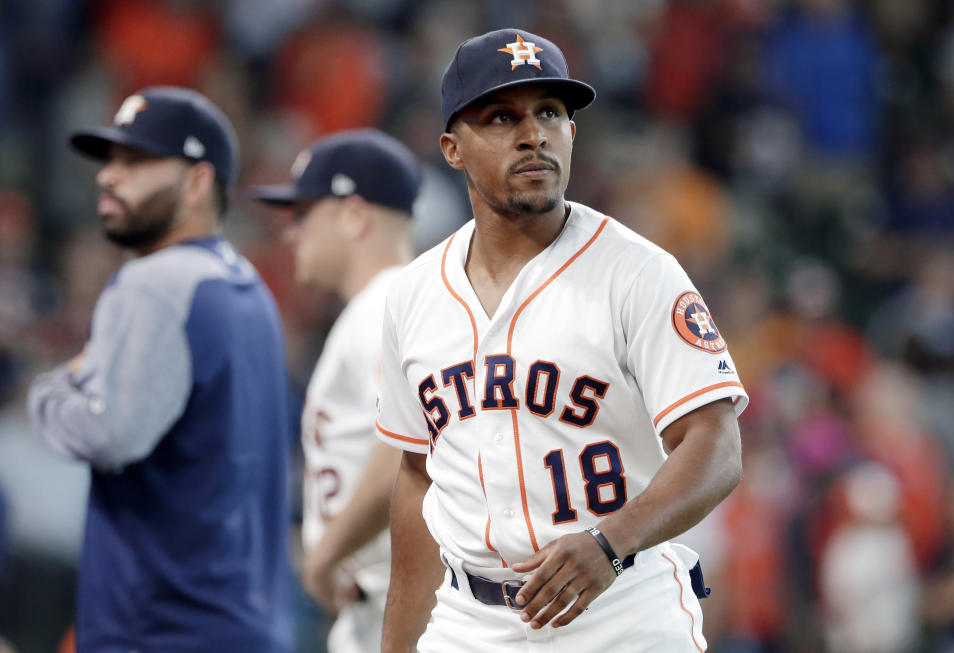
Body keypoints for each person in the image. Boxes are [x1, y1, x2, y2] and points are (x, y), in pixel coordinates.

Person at [375, 28, 749, 652]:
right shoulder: (412, 295)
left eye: (550, 112)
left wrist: (612, 541)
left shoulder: (638, 272)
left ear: (573, 133)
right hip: (468, 622)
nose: (533, 134)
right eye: (501, 116)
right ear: (451, 148)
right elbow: (417, 476)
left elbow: (717, 445)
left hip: (620, 612)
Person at [27, 86, 293, 652]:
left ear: (197, 181)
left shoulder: (153, 284)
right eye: (111, 160)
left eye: (137, 161)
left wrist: (50, 389)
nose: (108, 176)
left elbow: (111, 433)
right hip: (246, 624)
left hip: (161, 628)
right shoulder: (248, 288)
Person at [251, 128, 422, 653]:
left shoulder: (386, 302)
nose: (290, 232)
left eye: (303, 214)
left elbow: (409, 441)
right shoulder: (390, 302)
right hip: (382, 603)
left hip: (404, 608)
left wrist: (326, 552)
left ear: (354, 214)